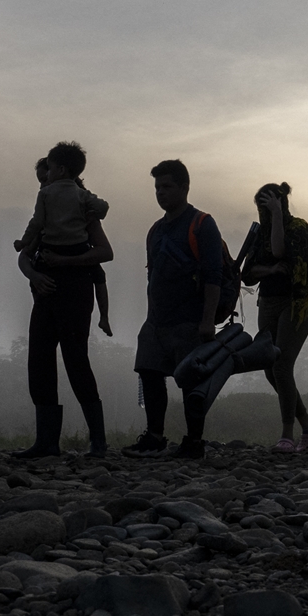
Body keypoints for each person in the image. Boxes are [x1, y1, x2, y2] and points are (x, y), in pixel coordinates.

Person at [13, 144, 113, 460]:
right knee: (39, 360)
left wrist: (64, 262)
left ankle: (98, 443)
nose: (44, 186)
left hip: (74, 291)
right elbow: (24, 255)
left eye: (47, 178)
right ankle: (46, 442)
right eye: (41, 181)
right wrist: (35, 276)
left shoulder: (83, 213)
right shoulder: (47, 211)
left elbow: (104, 253)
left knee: (75, 360)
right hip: (45, 294)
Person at [129, 159, 224, 459]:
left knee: (190, 381)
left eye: (167, 186)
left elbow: (213, 276)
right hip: (157, 319)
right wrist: (149, 317)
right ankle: (155, 436)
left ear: (185, 187)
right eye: (157, 187)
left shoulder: (202, 224)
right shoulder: (155, 230)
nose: (160, 193)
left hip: (190, 319)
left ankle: (193, 441)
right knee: (149, 371)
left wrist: (207, 321)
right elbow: (151, 275)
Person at [240, 183, 308, 453]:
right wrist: (273, 270)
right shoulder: (258, 232)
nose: (264, 212)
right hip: (268, 302)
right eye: (261, 208)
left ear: (281, 203)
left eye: (270, 205)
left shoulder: (299, 228)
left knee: (281, 364)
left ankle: (287, 433)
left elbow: (279, 252)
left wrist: (277, 216)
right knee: (269, 365)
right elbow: (248, 273)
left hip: (295, 302)